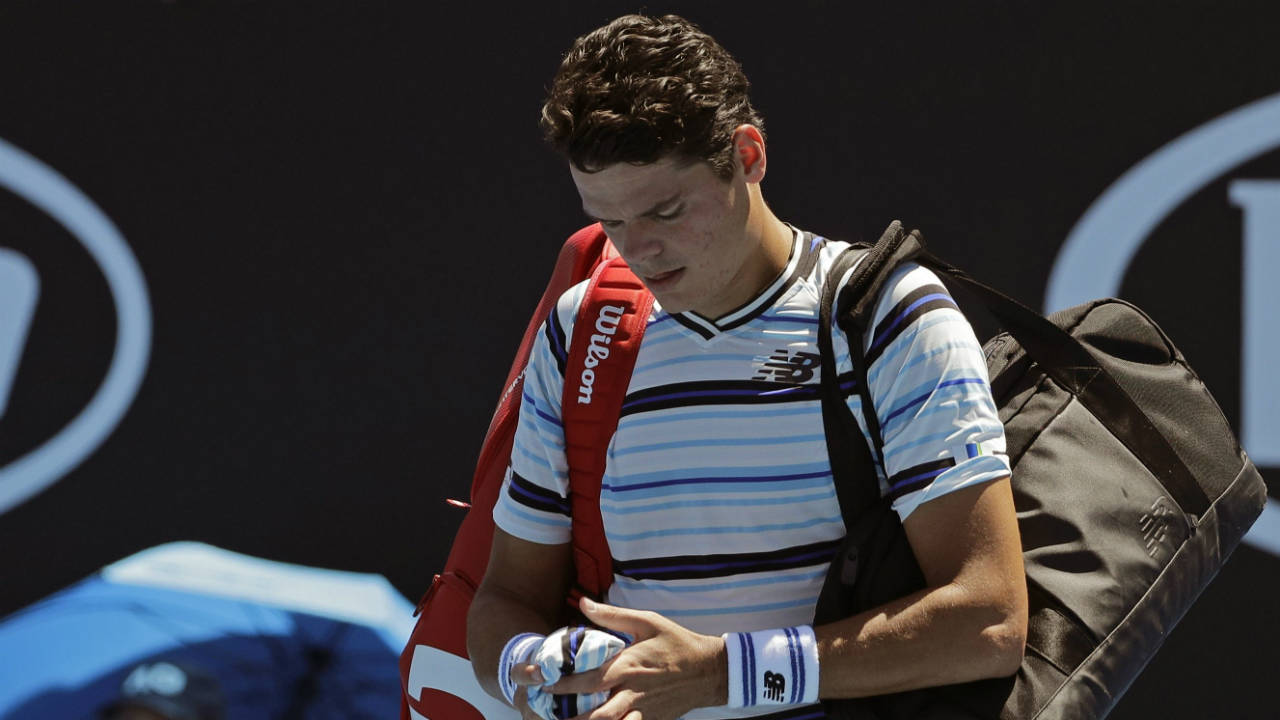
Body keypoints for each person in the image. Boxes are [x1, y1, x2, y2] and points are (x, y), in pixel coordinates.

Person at [468, 13, 1027, 720]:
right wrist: (531, 669)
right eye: (609, 222)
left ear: (749, 155)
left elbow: (987, 622)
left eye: (665, 211)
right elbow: (505, 600)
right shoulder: (581, 329)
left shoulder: (887, 314)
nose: (638, 249)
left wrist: (721, 673)